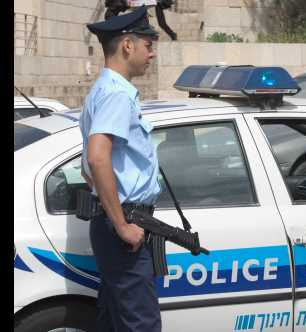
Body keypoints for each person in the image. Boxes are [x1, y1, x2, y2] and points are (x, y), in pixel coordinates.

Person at [79, 6, 162, 331]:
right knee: (141, 325)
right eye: (148, 44)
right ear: (128, 45)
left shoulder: (100, 91)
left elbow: (88, 166)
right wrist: (122, 224)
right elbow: (98, 158)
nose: (151, 53)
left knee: (114, 323)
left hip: (115, 223)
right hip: (124, 227)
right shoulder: (117, 94)